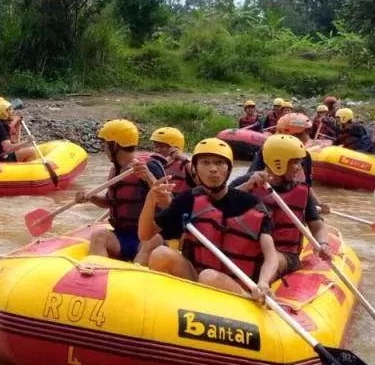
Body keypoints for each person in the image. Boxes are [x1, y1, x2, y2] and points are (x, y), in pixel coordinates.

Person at [138, 138, 279, 302]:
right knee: (161, 254)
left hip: (236, 287)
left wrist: (263, 282)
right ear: (196, 169)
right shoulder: (188, 200)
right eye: (205, 163)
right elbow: (145, 235)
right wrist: (151, 199)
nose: (213, 169)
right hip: (196, 280)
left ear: (228, 169)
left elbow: (271, 255)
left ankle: (249, 299)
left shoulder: (251, 203)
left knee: (209, 277)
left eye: (219, 163)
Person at [233, 135, 332, 278]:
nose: (299, 168)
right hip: (248, 251)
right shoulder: (247, 182)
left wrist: (323, 243)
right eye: (295, 162)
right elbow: (219, 204)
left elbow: (317, 226)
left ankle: (262, 286)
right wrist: (247, 186)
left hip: (286, 256)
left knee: (275, 258)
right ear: (278, 162)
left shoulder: (302, 191)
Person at [79, 120, 166, 262]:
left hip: (147, 237)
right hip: (122, 236)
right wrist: (90, 197)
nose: (104, 149)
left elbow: (167, 203)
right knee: (98, 236)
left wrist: (149, 177)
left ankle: (134, 275)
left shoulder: (151, 166)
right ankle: (96, 275)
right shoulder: (116, 171)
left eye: (105, 144)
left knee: (154, 239)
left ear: (115, 145)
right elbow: (108, 203)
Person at [239, 113, 330, 215]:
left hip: (292, 203)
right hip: (268, 202)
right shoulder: (267, 150)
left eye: (307, 133)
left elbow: (307, 186)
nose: (307, 138)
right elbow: (253, 178)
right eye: (303, 134)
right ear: (290, 135)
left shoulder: (306, 155)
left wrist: (317, 204)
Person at [149, 127, 195, 195]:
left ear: (174, 148)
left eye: (161, 146)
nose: (157, 150)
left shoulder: (184, 165)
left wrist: (184, 159)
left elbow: (200, 177)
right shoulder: (151, 163)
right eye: (155, 146)